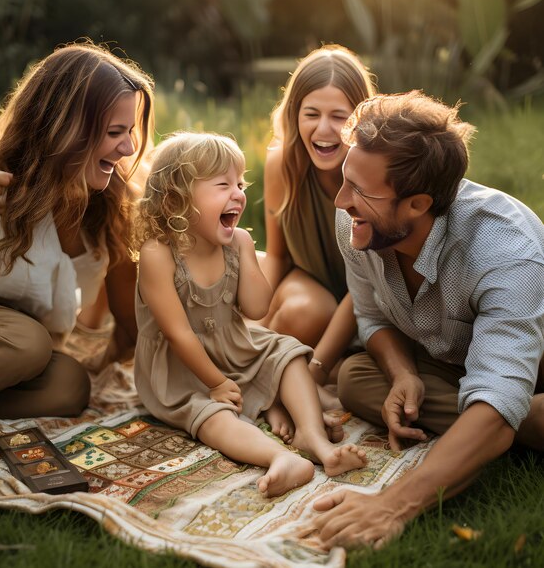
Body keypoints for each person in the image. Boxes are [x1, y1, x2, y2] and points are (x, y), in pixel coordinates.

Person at [309, 90, 544, 549]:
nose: (341, 200)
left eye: (359, 190)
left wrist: (391, 505)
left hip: (533, 368)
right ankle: (497, 429)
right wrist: (402, 373)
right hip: (449, 363)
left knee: (506, 409)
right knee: (357, 377)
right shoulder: (358, 222)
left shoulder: (508, 253)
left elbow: (500, 386)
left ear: (417, 205)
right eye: (344, 180)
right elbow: (370, 312)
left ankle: (503, 424)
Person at [0, 41, 155, 418]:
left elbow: (130, 316)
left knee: (70, 385)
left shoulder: (111, 198)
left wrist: (177, 372)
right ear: (68, 127)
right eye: (114, 132)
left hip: (13, 348)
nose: (128, 147)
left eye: (129, 132)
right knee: (28, 342)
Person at [133, 131, 367, 497]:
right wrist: (215, 383)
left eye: (240, 184)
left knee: (286, 354)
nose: (239, 194)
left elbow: (258, 309)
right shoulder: (158, 254)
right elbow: (178, 334)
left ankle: (316, 441)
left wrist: (244, 250)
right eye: (223, 185)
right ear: (178, 198)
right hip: (182, 367)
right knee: (211, 417)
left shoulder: (236, 242)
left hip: (233, 344)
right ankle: (279, 457)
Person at [258, 44, 376, 439]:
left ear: (359, 121)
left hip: (369, 294)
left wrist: (318, 366)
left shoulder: (373, 176)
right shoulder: (282, 163)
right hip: (307, 279)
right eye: (311, 114)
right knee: (303, 312)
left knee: (354, 362)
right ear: (295, 115)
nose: (323, 130)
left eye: (339, 117)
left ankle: (304, 375)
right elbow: (276, 257)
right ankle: (267, 372)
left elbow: (365, 286)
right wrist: (254, 324)